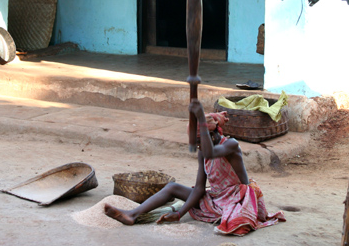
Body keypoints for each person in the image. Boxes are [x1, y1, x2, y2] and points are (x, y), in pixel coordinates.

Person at [104, 99, 285, 236]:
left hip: (238, 198)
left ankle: (230, 215)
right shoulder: (202, 152)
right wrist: (180, 213)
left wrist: (201, 119)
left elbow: (210, 153)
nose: (197, 145)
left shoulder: (231, 145)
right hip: (217, 198)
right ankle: (133, 215)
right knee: (172, 187)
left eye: (198, 140)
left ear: (211, 133)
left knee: (238, 223)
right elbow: (199, 188)